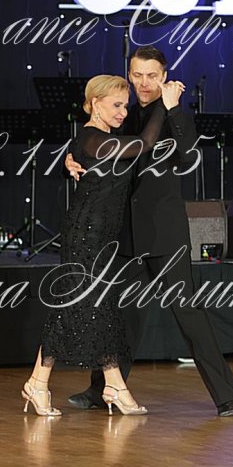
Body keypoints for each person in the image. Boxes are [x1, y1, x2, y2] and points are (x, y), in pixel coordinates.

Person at [65, 46, 233, 417]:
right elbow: (95, 145)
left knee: (188, 313)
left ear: (164, 76)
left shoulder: (175, 113)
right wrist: (72, 159)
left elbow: (188, 155)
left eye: (152, 75)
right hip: (128, 231)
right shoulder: (123, 114)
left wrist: (172, 108)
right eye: (137, 75)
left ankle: (227, 394)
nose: (144, 83)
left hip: (165, 233)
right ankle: (101, 391)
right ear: (129, 75)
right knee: (123, 316)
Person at [22, 74, 185, 417]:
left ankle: (98, 384)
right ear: (95, 103)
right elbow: (144, 143)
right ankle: (60, 383)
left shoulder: (99, 139)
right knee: (83, 307)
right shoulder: (94, 139)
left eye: (125, 105)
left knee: (98, 309)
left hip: (103, 236)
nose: (123, 112)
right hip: (86, 235)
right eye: (116, 105)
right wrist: (164, 105)